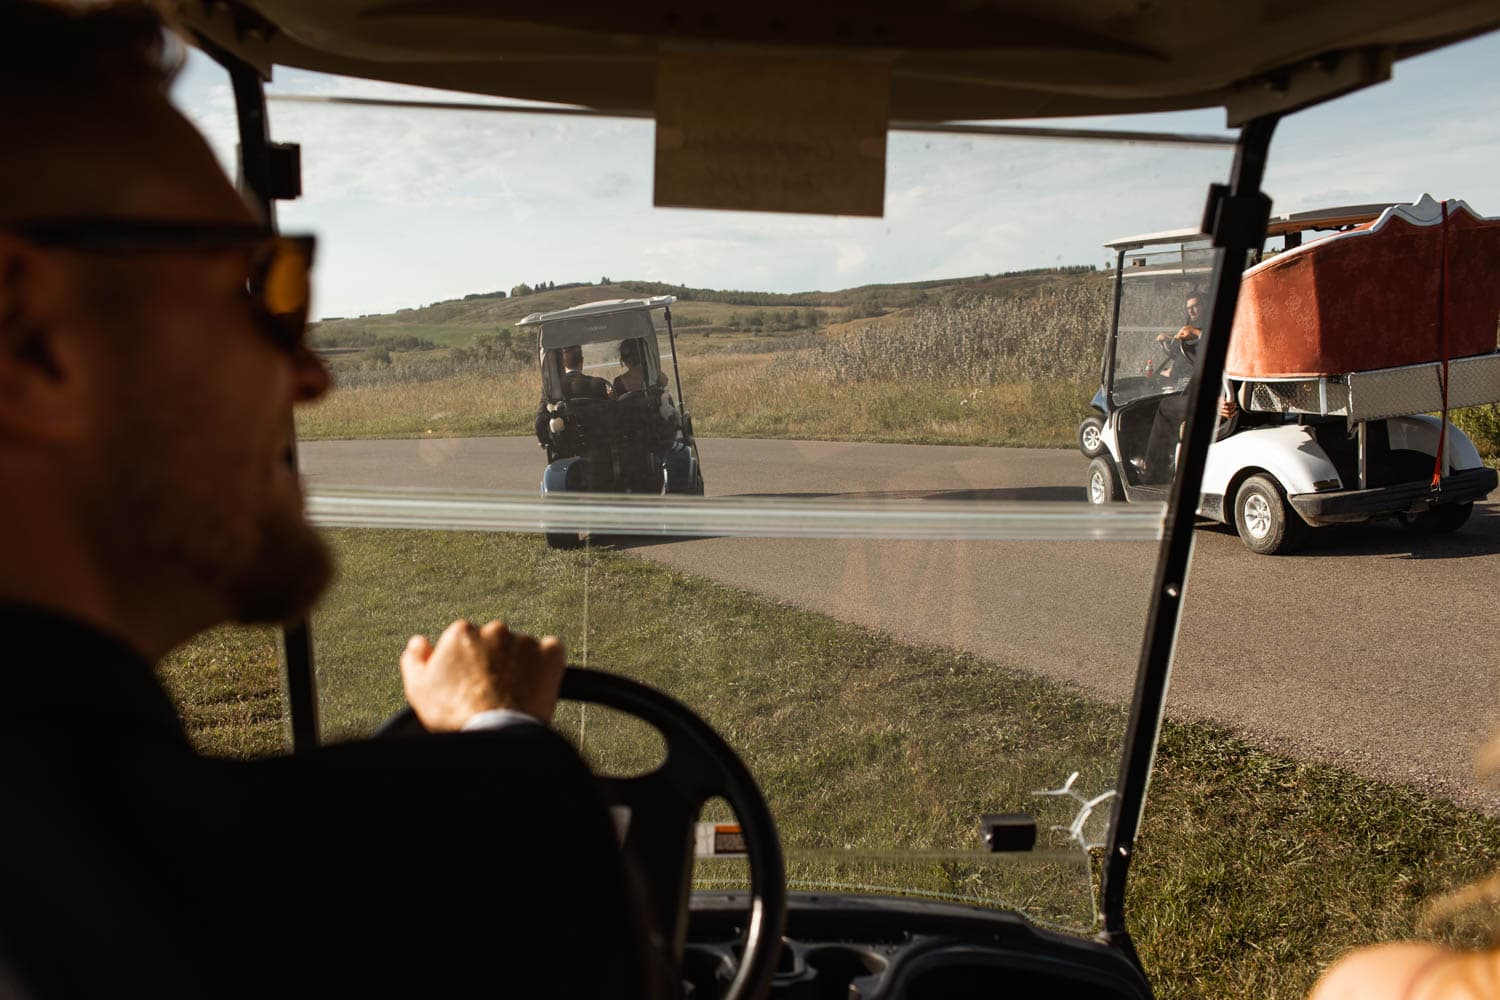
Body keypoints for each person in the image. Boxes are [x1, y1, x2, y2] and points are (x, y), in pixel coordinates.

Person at [0, 4, 649, 996]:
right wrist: (498, 731)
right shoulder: (178, 891)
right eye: (263, 285)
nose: (311, 377)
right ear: (31, 341)